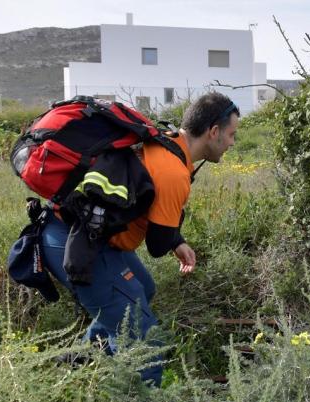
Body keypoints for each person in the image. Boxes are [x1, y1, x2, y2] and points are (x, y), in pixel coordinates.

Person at [41, 92, 240, 385]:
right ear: (213, 132)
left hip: (85, 233)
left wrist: (177, 240)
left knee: (143, 288)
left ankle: (83, 366)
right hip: (77, 242)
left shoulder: (166, 140)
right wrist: (171, 237)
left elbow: (144, 198)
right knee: (147, 346)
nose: (233, 143)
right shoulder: (175, 172)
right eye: (232, 134)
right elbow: (157, 245)